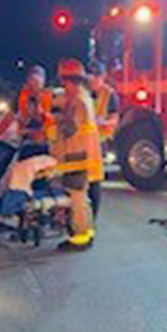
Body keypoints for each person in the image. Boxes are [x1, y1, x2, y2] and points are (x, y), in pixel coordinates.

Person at [52, 58, 103, 251]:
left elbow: (69, 129)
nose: (62, 87)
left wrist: (52, 120)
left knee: (77, 199)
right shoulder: (82, 98)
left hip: (77, 158)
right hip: (81, 157)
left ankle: (80, 238)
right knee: (81, 199)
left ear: (70, 81)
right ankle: (86, 234)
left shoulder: (78, 102)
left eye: (63, 82)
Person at [0, 64, 54, 152]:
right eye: (32, 80)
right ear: (27, 80)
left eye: (37, 81)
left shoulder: (50, 97)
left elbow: (51, 121)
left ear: (43, 82)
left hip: (44, 142)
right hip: (24, 140)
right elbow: (9, 117)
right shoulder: (21, 96)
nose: (33, 84)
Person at [87, 61, 119, 218]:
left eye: (96, 77)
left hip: (99, 142)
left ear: (103, 77)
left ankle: (92, 215)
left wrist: (103, 122)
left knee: (93, 181)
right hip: (83, 141)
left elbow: (115, 119)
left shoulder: (110, 94)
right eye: (90, 77)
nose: (92, 81)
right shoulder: (83, 92)